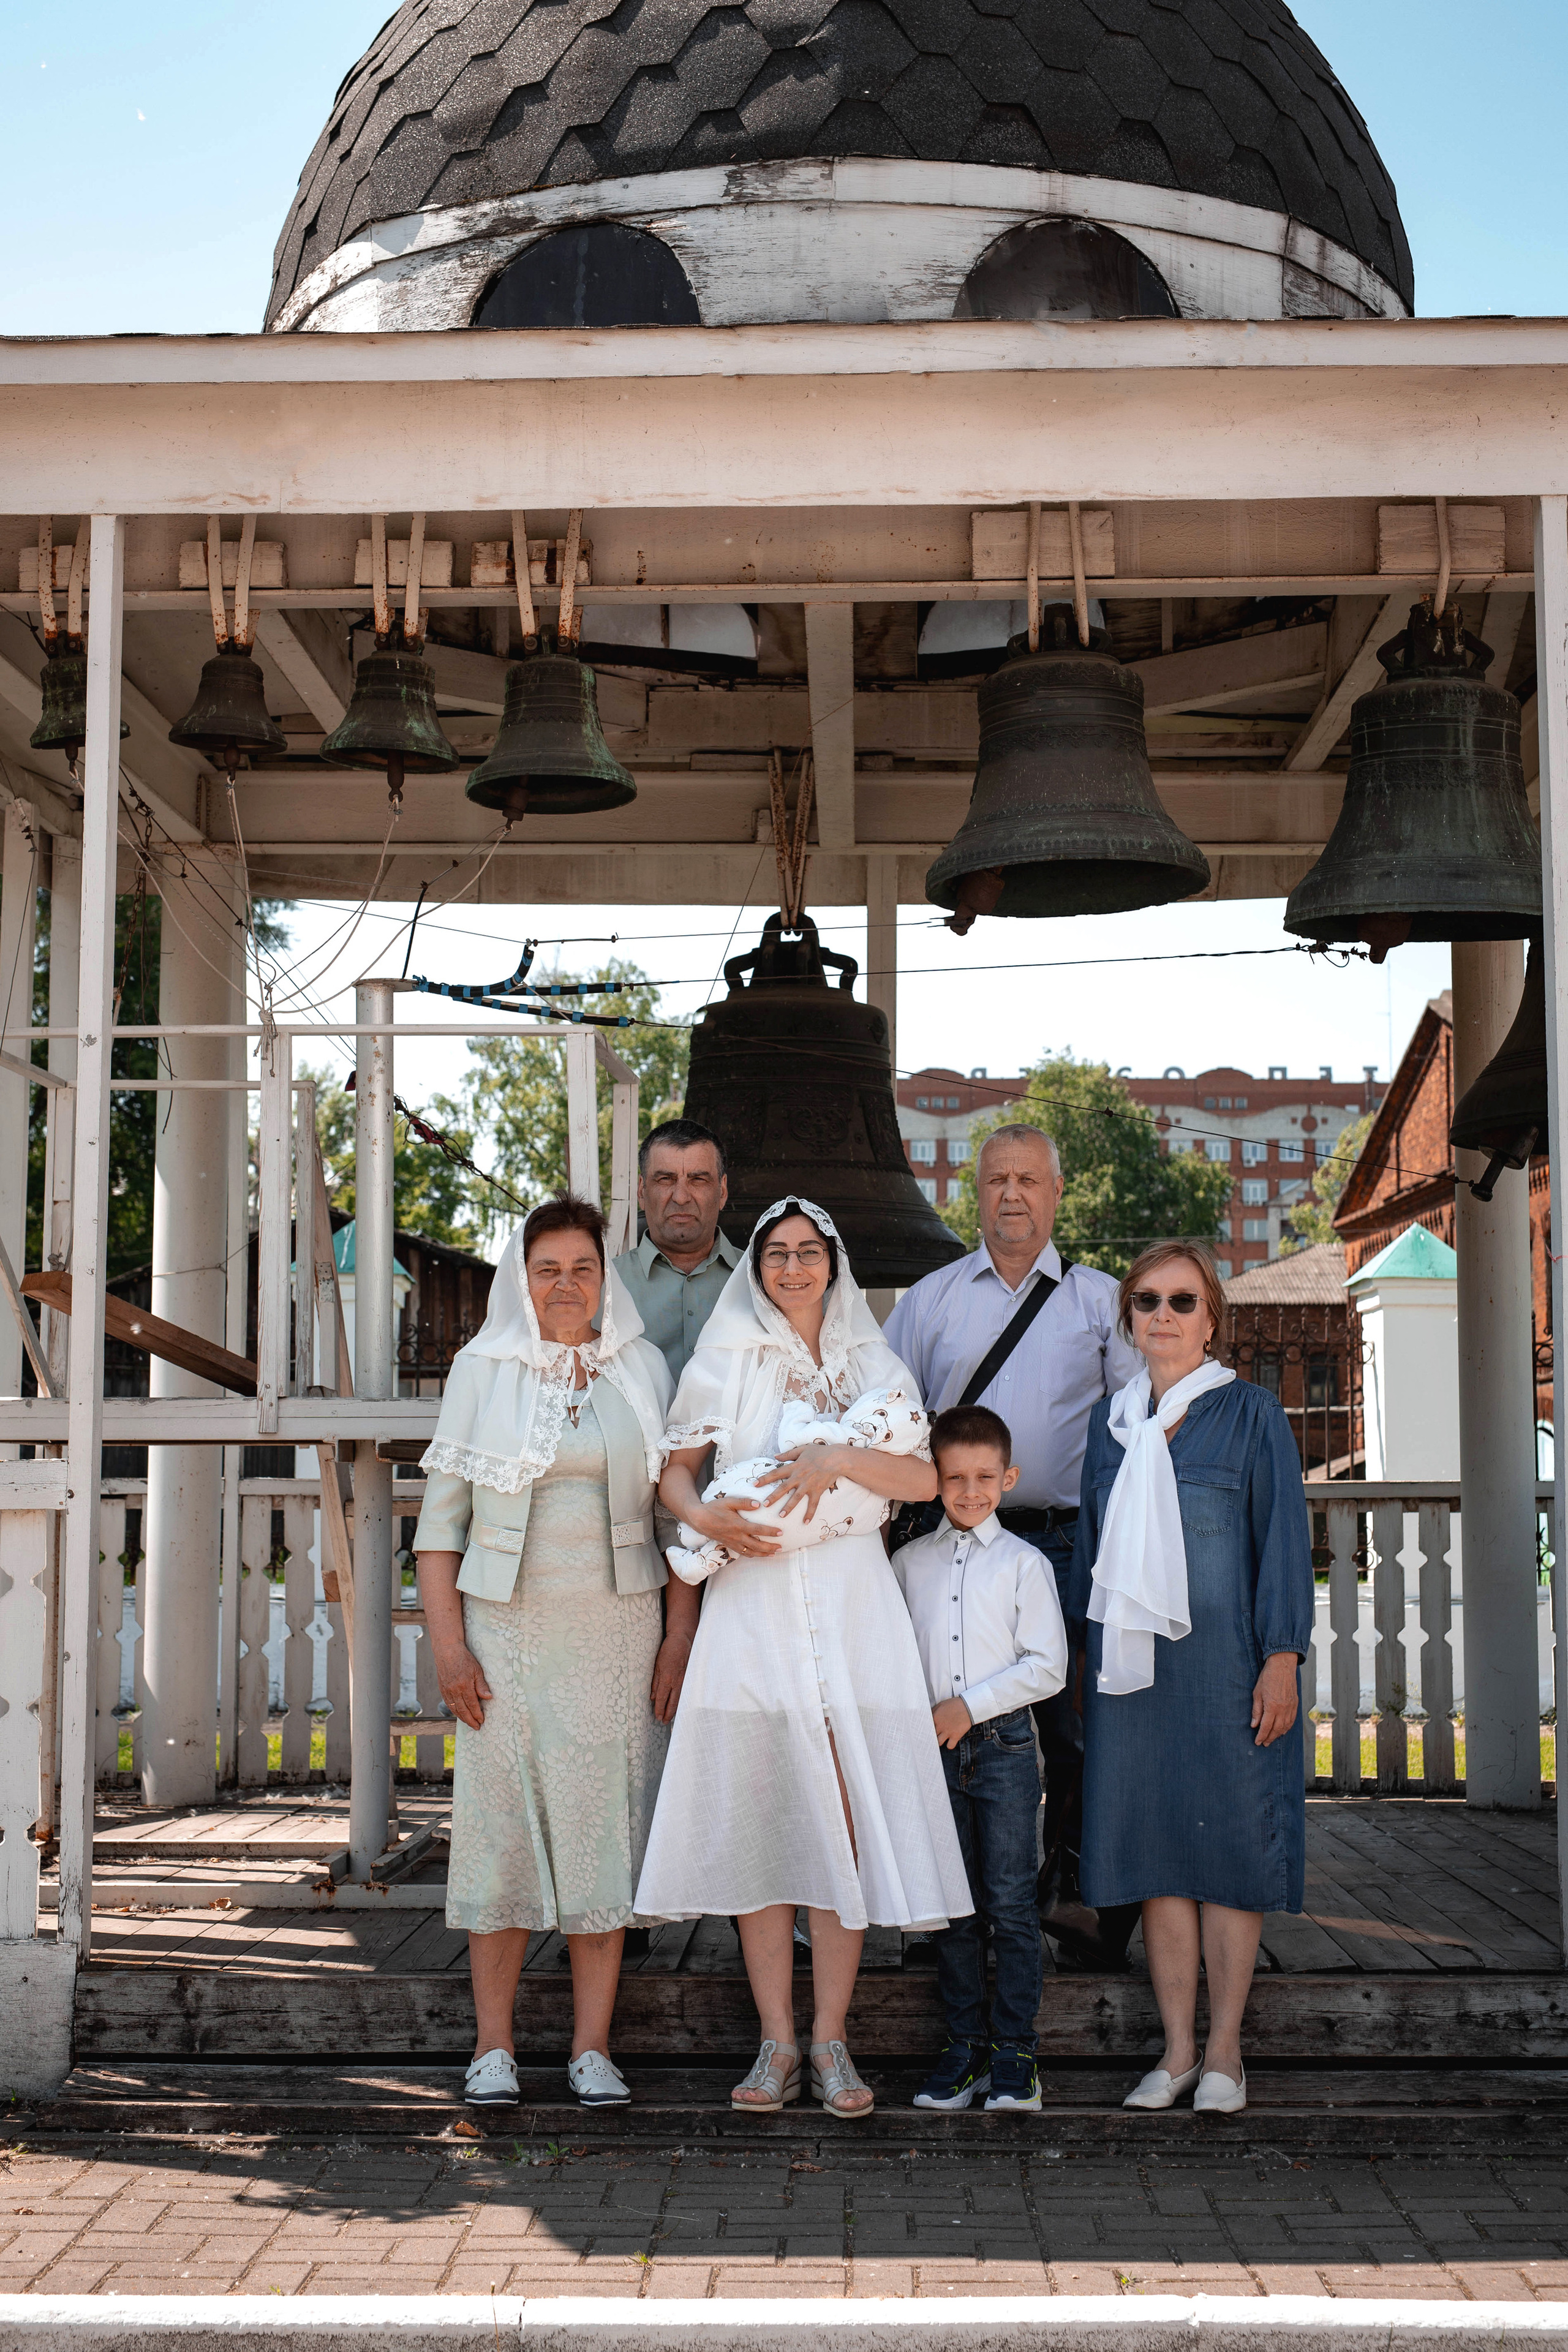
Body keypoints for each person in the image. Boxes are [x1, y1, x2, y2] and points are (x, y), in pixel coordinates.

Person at [635, 1197, 973, 2119]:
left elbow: (923, 1479)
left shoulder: (874, 1359)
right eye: (776, 1254)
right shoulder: (726, 1351)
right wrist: (699, 1516)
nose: (791, 1267)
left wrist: (834, 1458)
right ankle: (774, 2042)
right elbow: (674, 1467)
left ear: (834, 1260)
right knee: (764, 1815)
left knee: (846, 1818)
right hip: (753, 1606)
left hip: (855, 1607)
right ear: (759, 1266)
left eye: (807, 1252)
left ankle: (833, 2040)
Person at [414, 1195, 674, 2113]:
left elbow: (677, 1515)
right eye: (547, 1269)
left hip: (616, 1627)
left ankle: (591, 2049)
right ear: (521, 1281)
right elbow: (439, 1530)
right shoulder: (481, 1371)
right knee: (503, 1831)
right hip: (506, 1633)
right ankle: (493, 2047)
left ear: (607, 1280)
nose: (566, 1285)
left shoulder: (641, 1369)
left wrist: (676, 1638)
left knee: (601, 1825)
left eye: (583, 1268)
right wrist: (449, 1644)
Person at [885, 1122, 1143, 1964]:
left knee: (1069, 1733)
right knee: (943, 1724)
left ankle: (1064, 1907)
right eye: (996, 1178)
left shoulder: (1102, 1302)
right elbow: (889, 1424)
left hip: (1063, 1546)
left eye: (1029, 1179)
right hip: (944, 1542)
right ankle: (945, 1909)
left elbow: (1140, 1432)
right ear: (975, 1190)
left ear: (1057, 1192)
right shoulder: (930, 1301)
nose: (1012, 1194)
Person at [1069, 1240, 1313, 2117]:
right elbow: (1093, 1550)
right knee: (1160, 1858)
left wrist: (1281, 1655)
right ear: (1128, 1319)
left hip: (1230, 1670)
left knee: (1230, 1857)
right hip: (1135, 1678)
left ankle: (1225, 2053)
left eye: (1182, 1302)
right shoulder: (1109, 1425)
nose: (1163, 1317)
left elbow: (1282, 1538)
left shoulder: (1251, 1415)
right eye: (1147, 1302)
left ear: (1212, 1318)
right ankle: (1174, 2052)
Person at [895, 1403, 1067, 2114]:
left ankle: (1015, 2053)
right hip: (932, 1754)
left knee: (1011, 1905)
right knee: (955, 1909)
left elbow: (1048, 1665)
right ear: (932, 1481)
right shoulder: (908, 1564)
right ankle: (963, 2046)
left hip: (1005, 1751)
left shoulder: (1025, 1565)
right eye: (954, 1477)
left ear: (1009, 1477)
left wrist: (970, 1706)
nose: (970, 1491)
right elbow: (893, 1655)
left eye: (985, 1477)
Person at [612, 1118, 743, 1731]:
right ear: (641, 1192)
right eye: (664, 1179)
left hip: (738, 1527)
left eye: (697, 1179)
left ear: (722, 1190)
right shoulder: (603, 1289)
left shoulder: (763, 1283)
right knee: (634, 1704)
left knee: (729, 1704)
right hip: (620, 1524)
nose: (680, 1194)